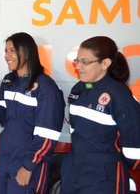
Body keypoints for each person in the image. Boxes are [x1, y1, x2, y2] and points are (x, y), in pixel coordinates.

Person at [0, 32, 65, 193]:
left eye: (12, 50)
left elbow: (47, 134)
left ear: (26, 51)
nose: (7, 56)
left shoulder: (46, 87)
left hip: (27, 161)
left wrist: (29, 166)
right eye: (5, 51)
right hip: (5, 157)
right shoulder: (8, 80)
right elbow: (0, 110)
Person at [60, 36, 140, 194]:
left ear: (105, 63)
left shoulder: (119, 95)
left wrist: (111, 164)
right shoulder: (78, 89)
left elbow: (134, 144)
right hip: (73, 170)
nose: (78, 66)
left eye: (85, 62)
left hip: (103, 177)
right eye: (77, 60)